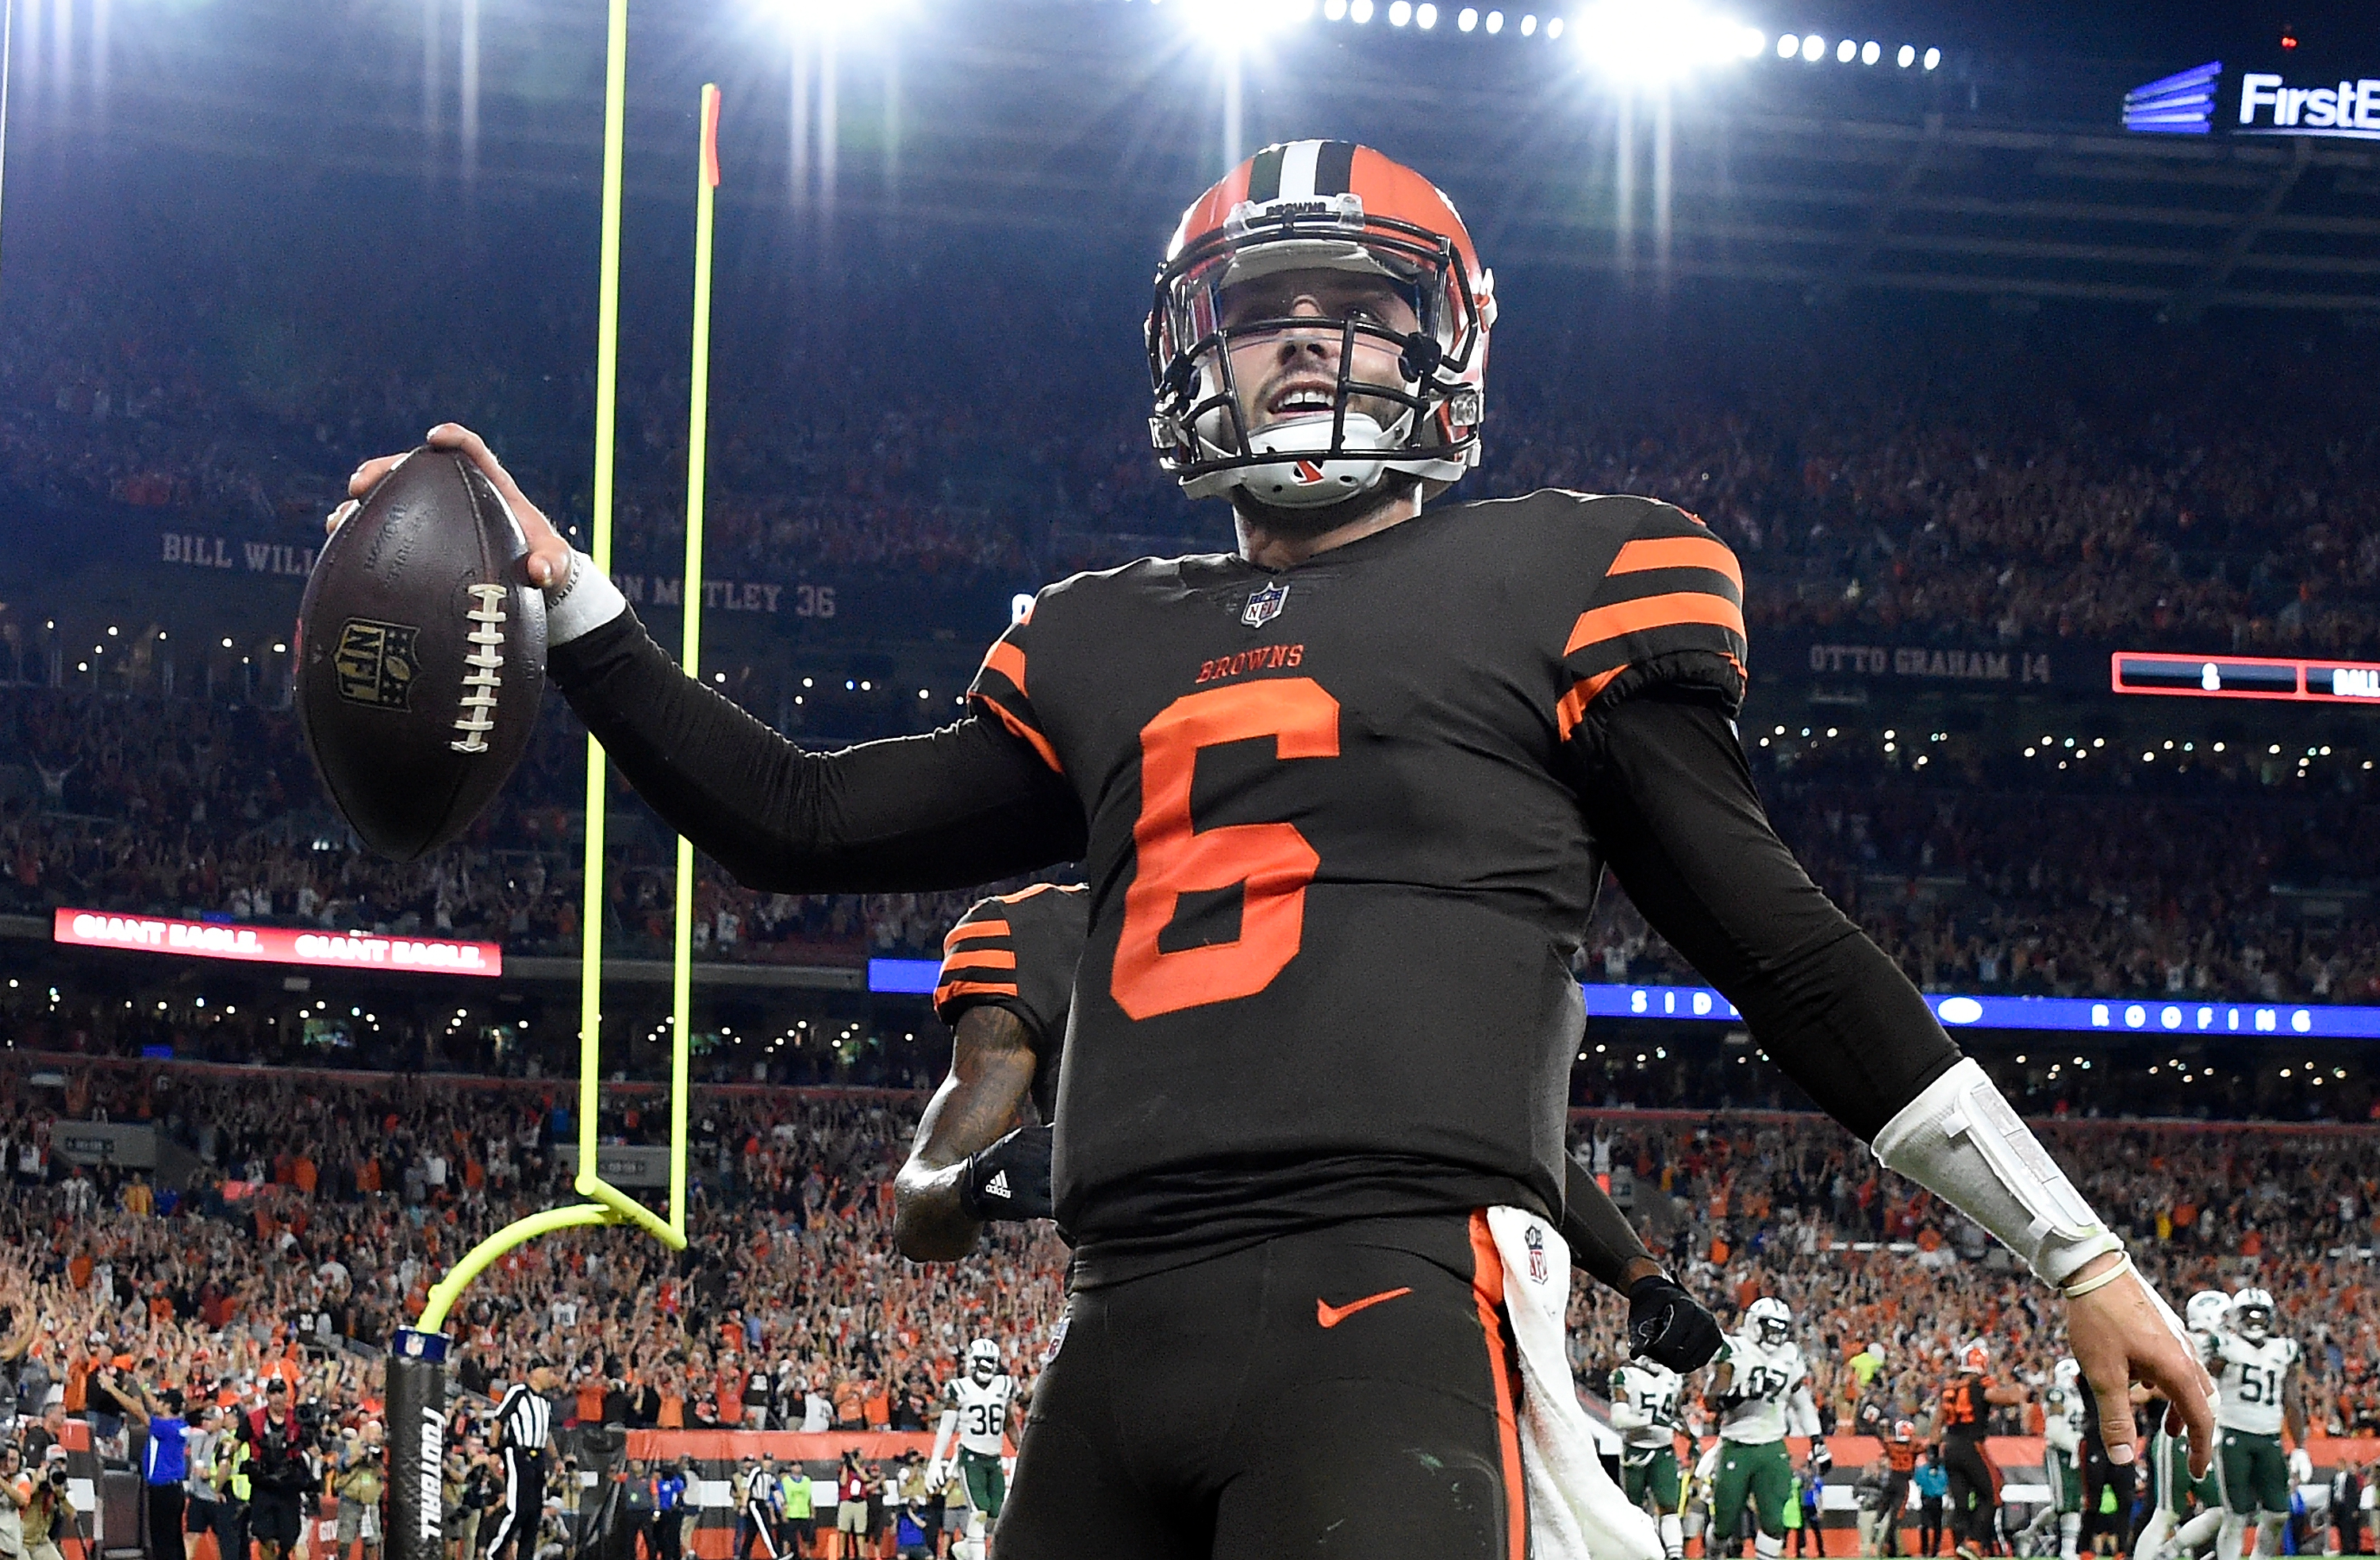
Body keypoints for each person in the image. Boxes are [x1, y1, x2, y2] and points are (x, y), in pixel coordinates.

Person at [343, 136, 2211, 1555]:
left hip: (1389, 1293)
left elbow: (1780, 946)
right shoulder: (1096, 634)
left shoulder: (1568, 571)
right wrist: (567, 592)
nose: (1302, 336)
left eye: (1355, 307)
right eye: (1254, 309)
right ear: (1192, 360)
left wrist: (2070, 1250)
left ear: (1442, 349)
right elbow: (793, 816)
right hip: (1116, 1318)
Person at [1706, 1298, 1825, 1560]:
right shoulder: (1733, 1347)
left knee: (1774, 1523)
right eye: (1770, 1326)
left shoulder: (1789, 1354)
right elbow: (1712, 1400)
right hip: (1737, 1444)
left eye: (1782, 1327)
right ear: (1753, 1323)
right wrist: (1744, 1392)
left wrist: (1818, 1441)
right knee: (1724, 1524)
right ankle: (1712, 1555)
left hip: (1772, 1445)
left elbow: (1802, 1401)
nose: (1776, 1333)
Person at [2207, 1288, 2311, 1560]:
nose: (2255, 1321)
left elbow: (2292, 1399)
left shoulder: (2284, 1349)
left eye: (2260, 1315)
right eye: (2248, 1315)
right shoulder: (2224, 1345)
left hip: (2270, 1438)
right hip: (2233, 1436)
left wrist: (2300, 1447)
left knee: (2278, 1513)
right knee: (2236, 1515)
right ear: (2235, 1317)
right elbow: (2205, 1378)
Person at [2139, 1294, 2233, 1560]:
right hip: (2179, 1435)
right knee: (2166, 1513)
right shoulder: (2192, 1342)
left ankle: (2171, 1551)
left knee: (2223, 1510)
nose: (2229, 1323)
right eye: (2224, 1316)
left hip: (2205, 1438)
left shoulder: (2198, 1341)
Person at [1933, 1341, 2029, 1560]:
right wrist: (2016, 1388)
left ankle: (1960, 1548)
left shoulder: (1950, 1386)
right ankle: (1974, 1541)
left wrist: (1932, 1450)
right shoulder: (1979, 1384)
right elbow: (2008, 1398)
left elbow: (1937, 1420)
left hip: (1949, 1446)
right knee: (1993, 1494)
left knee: (1961, 1503)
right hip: (1971, 1445)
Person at [94, 1367, 186, 1560]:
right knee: (174, 1540)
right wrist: (142, 1384)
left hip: (163, 1491)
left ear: (168, 1406)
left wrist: (112, 1388)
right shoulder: (178, 1425)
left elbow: (139, 1411)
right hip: (173, 1490)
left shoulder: (166, 1427)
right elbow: (151, 1405)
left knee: (163, 1542)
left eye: (161, 1400)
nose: (157, 1402)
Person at [1609, 1355, 1690, 1560]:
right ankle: (1632, 1552)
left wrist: (1690, 1435)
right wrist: (1649, 1419)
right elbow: (1618, 1419)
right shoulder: (1625, 1375)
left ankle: (1675, 1555)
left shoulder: (1672, 1376)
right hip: (1636, 1449)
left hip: (1664, 1449)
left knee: (1669, 1506)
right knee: (1633, 1507)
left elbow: (1674, 1413)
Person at [487, 1362, 559, 1560]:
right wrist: (494, 1451)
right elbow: (499, 1419)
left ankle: (525, 1556)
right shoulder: (519, 1391)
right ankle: (493, 1553)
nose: (550, 1375)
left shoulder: (546, 1402)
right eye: (547, 1370)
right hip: (519, 1453)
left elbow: (547, 1433)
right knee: (518, 1508)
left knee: (535, 1512)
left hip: (538, 1457)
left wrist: (556, 1459)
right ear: (534, 1373)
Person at [242, 1377, 311, 1560]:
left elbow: (311, 1447)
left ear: (287, 1395)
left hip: (289, 1486)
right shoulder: (253, 1419)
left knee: (289, 1539)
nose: (277, 1397)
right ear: (267, 1395)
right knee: (265, 1536)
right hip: (263, 1484)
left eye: (281, 1392)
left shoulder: (297, 1418)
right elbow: (234, 1444)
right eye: (273, 1392)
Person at [2033, 1359, 2086, 1560]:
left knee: (2073, 1502)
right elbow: (2054, 1430)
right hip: (2060, 1452)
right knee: (2063, 1504)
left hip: (2075, 1452)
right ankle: (2031, 1533)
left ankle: (2067, 1550)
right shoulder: (2058, 1393)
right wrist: (2074, 1447)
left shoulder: (2080, 1395)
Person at [332, 1422, 386, 1560]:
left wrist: (376, 1458)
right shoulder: (352, 1446)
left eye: (379, 1433)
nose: (377, 1437)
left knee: (373, 1541)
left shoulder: (383, 1450)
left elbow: (384, 1472)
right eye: (375, 1433)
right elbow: (341, 1466)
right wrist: (359, 1456)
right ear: (366, 1433)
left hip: (370, 1502)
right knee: (345, 1539)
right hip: (350, 1500)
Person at [21, 1447, 78, 1560]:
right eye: (54, 1464)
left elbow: (72, 1512)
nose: (58, 1468)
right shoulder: (30, 1475)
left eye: (62, 1464)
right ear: (43, 1464)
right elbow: (23, 1495)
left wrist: (60, 1494)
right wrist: (40, 1480)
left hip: (40, 1541)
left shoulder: (59, 1484)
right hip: (21, 1541)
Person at [1915, 1449, 1950, 1558]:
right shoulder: (1933, 1470)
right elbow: (1919, 1481)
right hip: (1930, 1499)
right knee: (1929, 1525)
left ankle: (1932, 1550)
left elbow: (1919, 1481)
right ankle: (1927, 1550)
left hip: (1933, 1499)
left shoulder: (1939, 1470)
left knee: (1935, 1526)